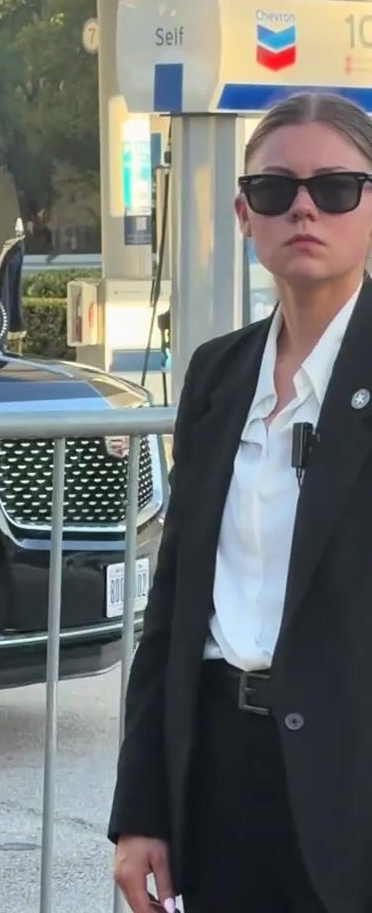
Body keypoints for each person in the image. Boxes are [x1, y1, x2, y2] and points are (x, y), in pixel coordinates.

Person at [107, 92, 372, 913]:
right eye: (274, 188)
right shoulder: (218, 375)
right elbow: (174, 606)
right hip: (223, 780)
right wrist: (142, 809)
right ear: (243, 213)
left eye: (336, 188)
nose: (303, 208)